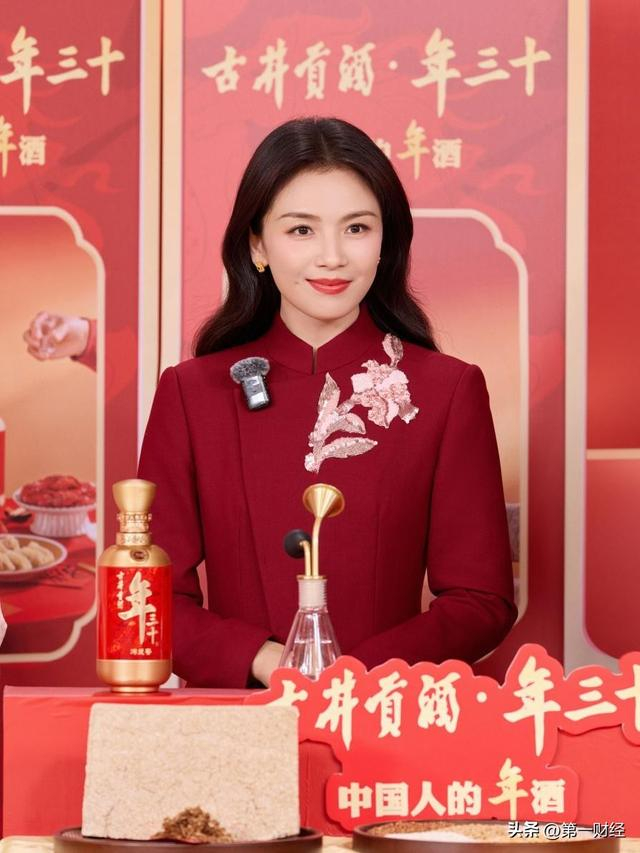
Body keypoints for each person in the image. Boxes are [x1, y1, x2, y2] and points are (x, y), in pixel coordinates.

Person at [138, 116, 517, 688]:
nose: (333, 256)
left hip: (385, 716)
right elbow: (149, 595)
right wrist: (269, 662)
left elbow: (480, 599)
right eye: (301, 230)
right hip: (234, 717)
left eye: (357, 228)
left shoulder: (446, 390)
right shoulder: (193, 394)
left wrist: (356, 675)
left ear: (386, 242)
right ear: (257, 244)